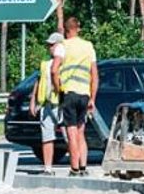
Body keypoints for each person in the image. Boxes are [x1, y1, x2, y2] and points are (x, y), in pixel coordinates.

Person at [52, 17, 98, 176]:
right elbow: (95, 75)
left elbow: (54, 70)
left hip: (69, 93)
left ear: (65, 30)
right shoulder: (88, 46)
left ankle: (74, 168)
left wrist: (58, 89)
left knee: (71, 133)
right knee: (81, 132)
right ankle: (84, 166)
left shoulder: (62, 46)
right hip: (84, 94)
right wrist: (93, 98)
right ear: (78, 28)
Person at [29, 32, 64, 175]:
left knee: (69, 135)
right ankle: (48, 168)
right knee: (47, 136)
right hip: (46, 103)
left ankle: (78, 166)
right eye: (49, 45)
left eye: (52, 45)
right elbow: (38, 81)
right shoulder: (44, 62)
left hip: (61, 102)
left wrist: (60, 91)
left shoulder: (65, 60)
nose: (49, 48)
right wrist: (33, 101)